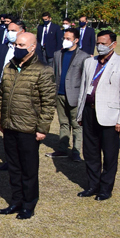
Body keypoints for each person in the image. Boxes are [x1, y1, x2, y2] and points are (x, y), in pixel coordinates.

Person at [0, 32, 55, 219]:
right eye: (16, 45)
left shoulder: (43, 70)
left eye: (21, 45)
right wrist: (2, 120)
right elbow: (4, 95)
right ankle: (16, 201)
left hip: (29, 128)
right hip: (10, 125)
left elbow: (48, 103)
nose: (17, 48)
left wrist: (42, 128)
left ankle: (28, 205)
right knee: (14, 167)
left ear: (32, 47)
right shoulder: (10, 66)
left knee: (28, 169)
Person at [75, 30, 120, 201]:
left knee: (110, 155)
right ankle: (93, 185)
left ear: (113, 44)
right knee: (90, 152)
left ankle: (105, 188)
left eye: (104, 43)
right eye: (98, 43)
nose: (100, 46)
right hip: (89, 112)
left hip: (110, 116)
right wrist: (80, 114)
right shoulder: (89, 62)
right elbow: (83, 89)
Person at [47, 27, 87, 163]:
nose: (65, 40)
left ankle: (76, 151)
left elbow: (85, 78)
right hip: (59, 94)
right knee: (63, 123)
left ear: (76, 40)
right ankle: (62, 149)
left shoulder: (83, 56)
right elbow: (53, 74)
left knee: (76, 125)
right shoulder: (58, 54)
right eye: (64, 38)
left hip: (75, 96)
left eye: (68, 38)